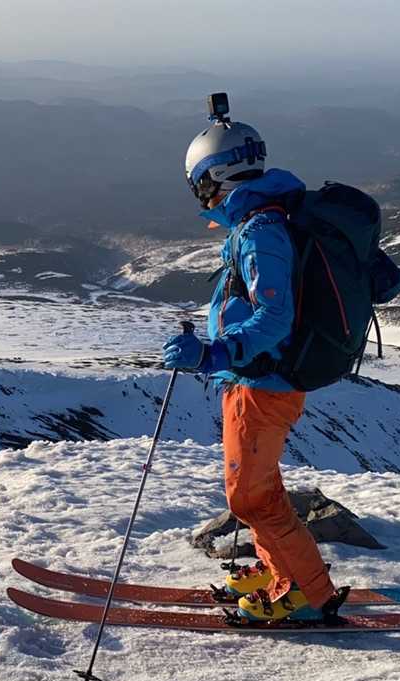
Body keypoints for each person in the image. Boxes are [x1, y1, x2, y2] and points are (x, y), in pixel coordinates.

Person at [160, 101, 340, 622]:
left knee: (250, 500)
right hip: (255, 377)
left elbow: (274, 317)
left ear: (215, 178)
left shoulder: (260, 231)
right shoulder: (262, 221)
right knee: (258, 491)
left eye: (200, 185)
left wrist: (214, 352)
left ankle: (305, 594)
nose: (202, 198)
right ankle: (280, 572)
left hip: (264, 382)